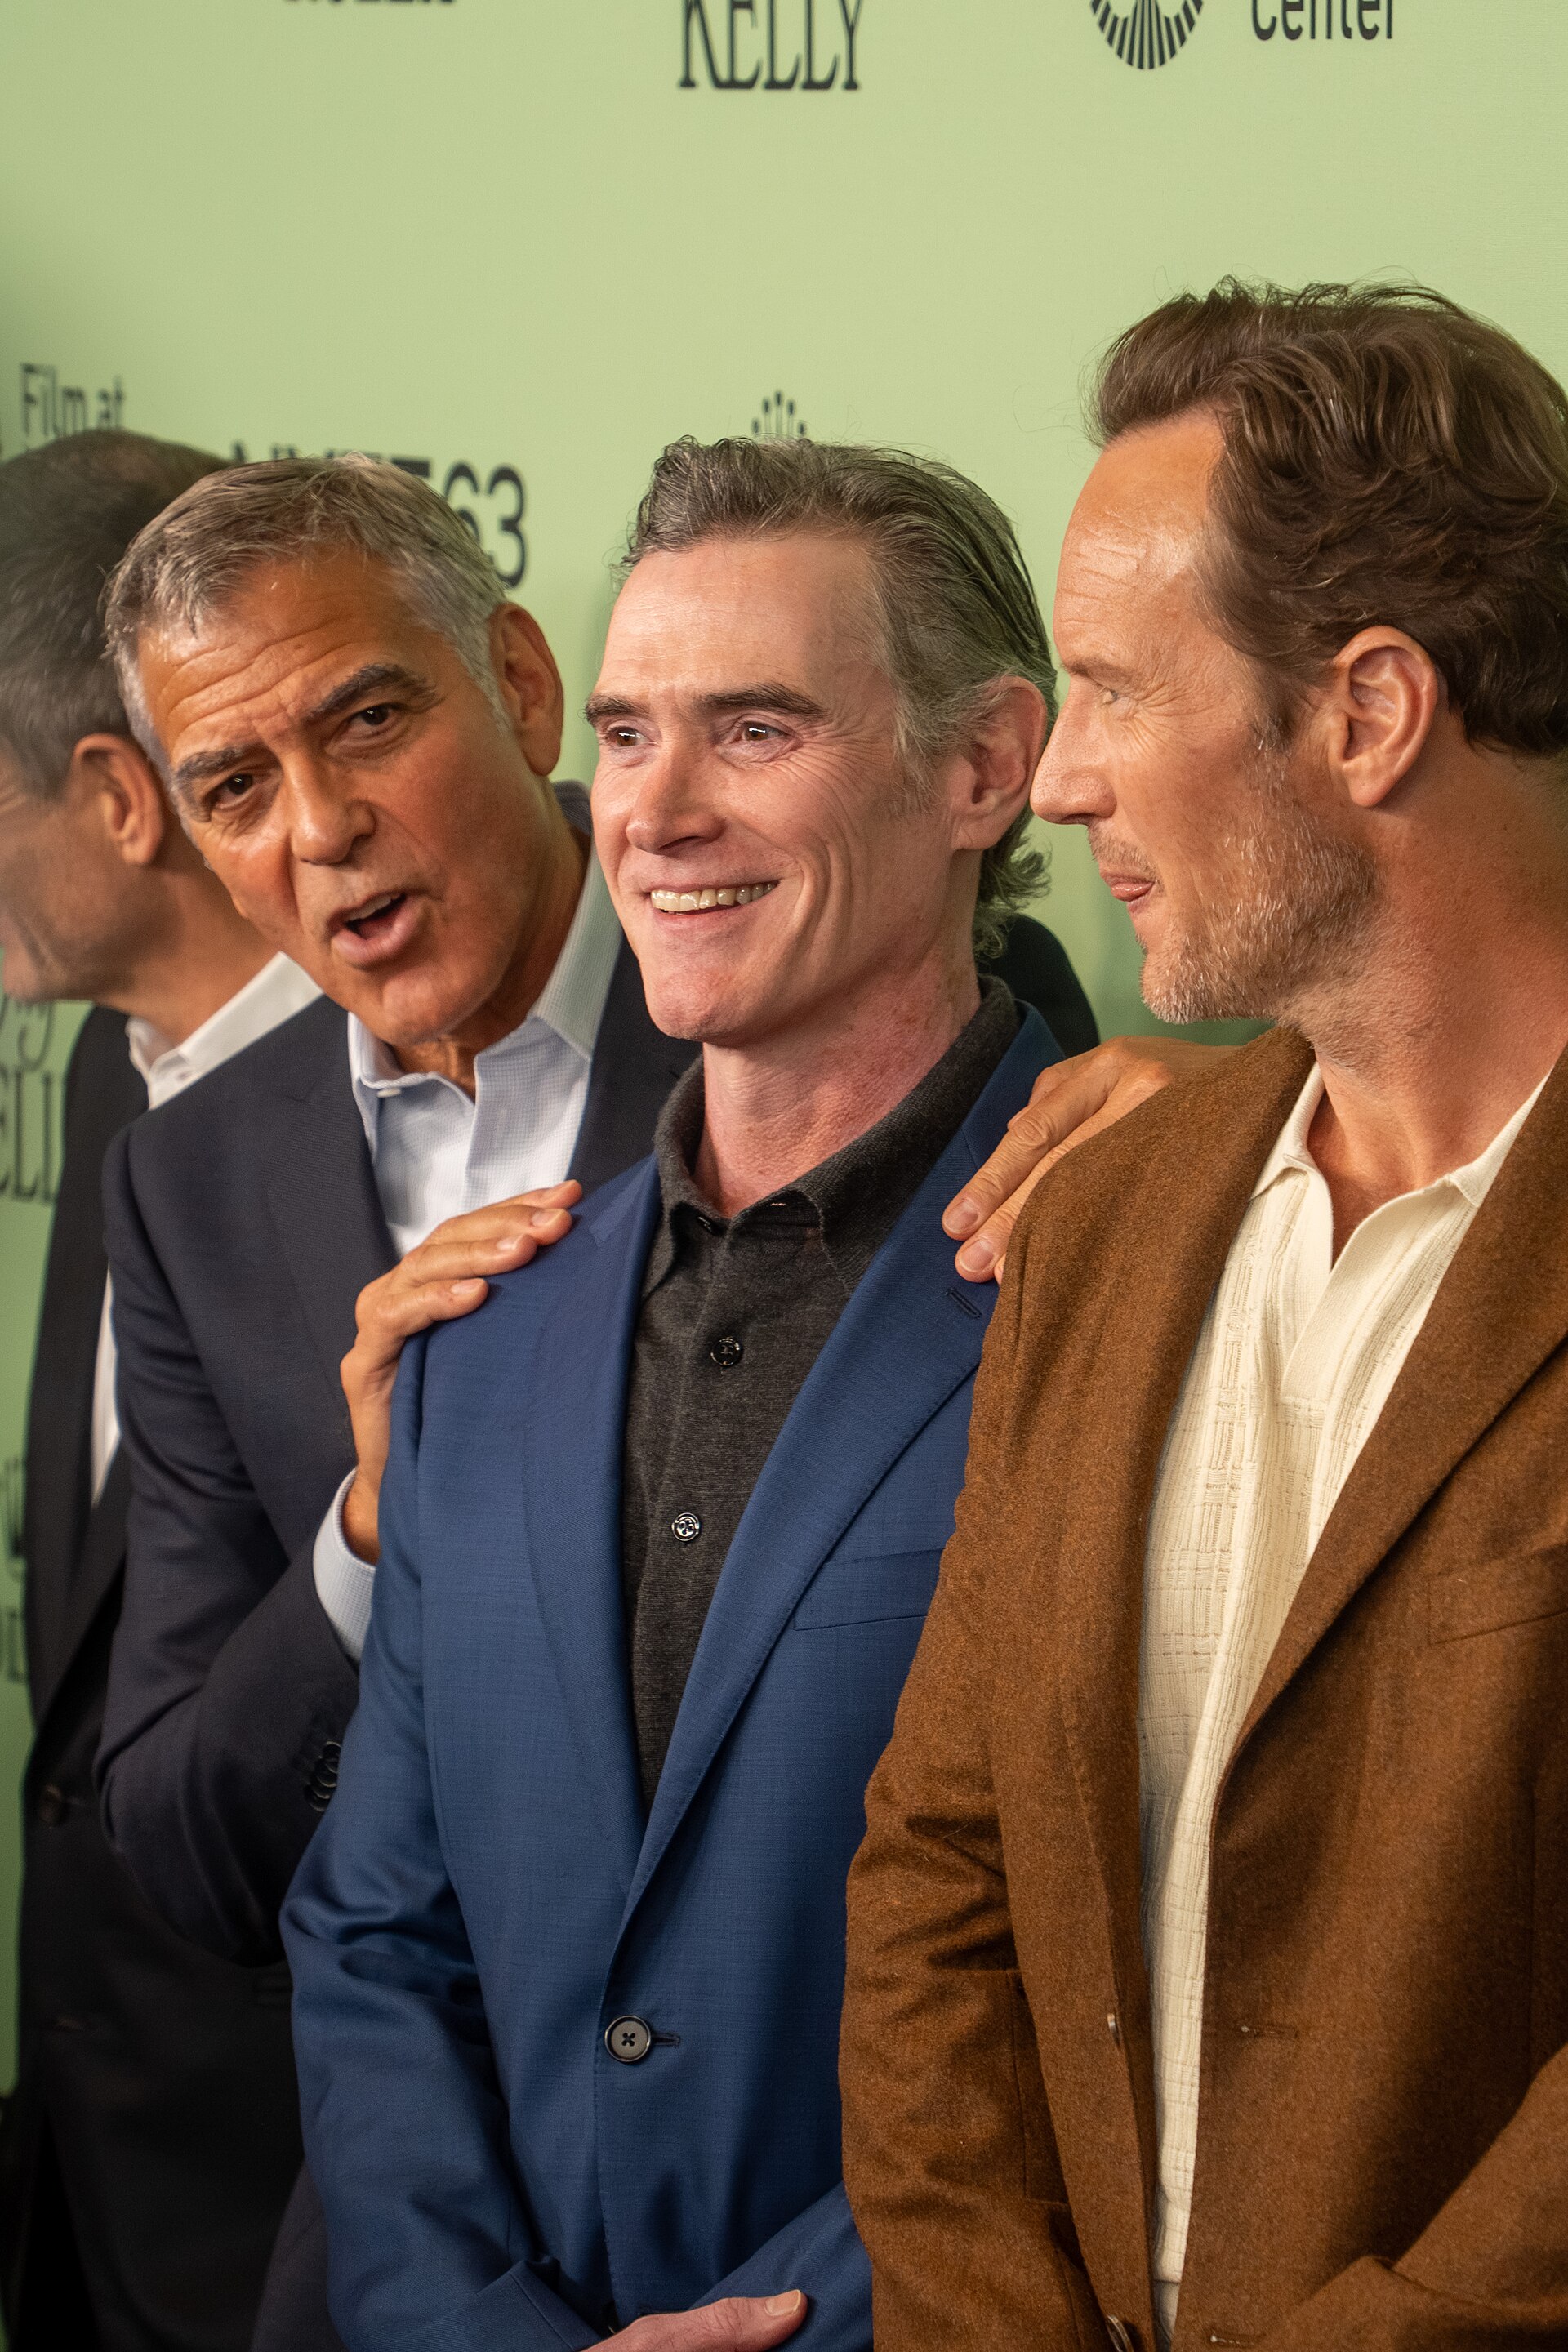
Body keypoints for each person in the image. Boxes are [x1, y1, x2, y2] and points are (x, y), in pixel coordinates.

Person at [93, 452, 1097, 2350]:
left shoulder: (1108, 1235)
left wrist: (826, 2314)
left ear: (986, 771)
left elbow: (1152, 1949)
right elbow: (357, 1926)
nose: (658, 806)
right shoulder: (461, 1322)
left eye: (758, 726)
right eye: (640, 734)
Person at [840, 282, 1568, 2352]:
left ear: (1366, 714)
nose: (1053, 782)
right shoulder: (1108, 1222)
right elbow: (938, 1884)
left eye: (1110, 693)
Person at [0, 432, 318, 2351]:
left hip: (325, 2231)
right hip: (92, 2203)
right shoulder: (120, 1057)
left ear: (119, 799)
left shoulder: (486, 1106)